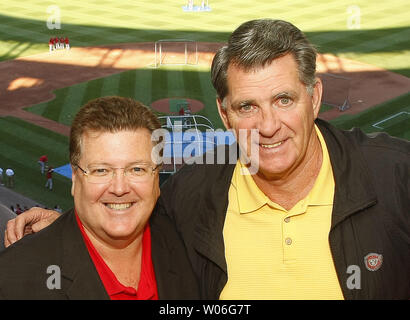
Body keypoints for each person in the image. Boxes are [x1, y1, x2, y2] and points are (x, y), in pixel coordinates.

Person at [5, 19, 410, 300]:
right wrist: (74, 227)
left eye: (283, 100)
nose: (268, 126)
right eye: (247, 106)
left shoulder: (394, 175)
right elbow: (128, 209)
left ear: (315, 97)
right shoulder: (195, 190)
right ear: (225, 113)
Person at [0, 96, 198, 299]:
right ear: (75, 179)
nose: (119, 188)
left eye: (137, 169)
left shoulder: (190, 247)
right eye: (101, 170)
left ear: (157, 178)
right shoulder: (13, 280)